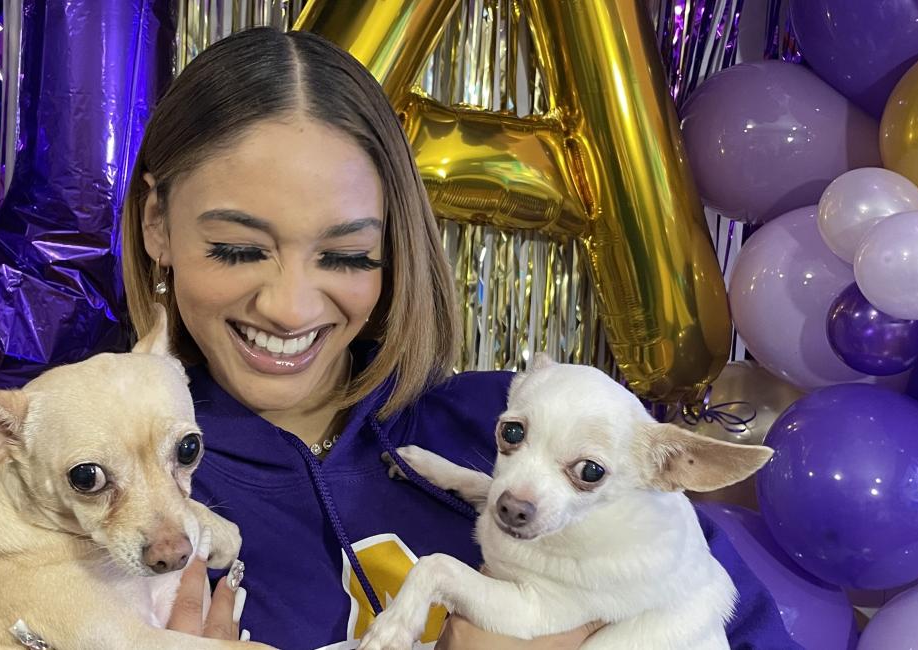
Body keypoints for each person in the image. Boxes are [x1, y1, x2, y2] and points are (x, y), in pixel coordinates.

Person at [121, 26, 799, 650]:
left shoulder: (521, 422)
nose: (290, 306)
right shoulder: (89, 488)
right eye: (238, 249)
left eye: (347, 256)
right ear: (158, 224)